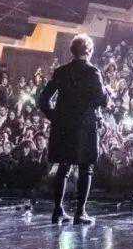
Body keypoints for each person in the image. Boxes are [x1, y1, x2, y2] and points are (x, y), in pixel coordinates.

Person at [38, 34, 109, 225]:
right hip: (85, 128)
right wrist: (106, 93)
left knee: (63, 167)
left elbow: (43, 100)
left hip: (63, 128)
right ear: (89, 51)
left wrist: (55, 117)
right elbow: (102, 100)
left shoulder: (61, 71)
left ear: (72, 51)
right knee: (86, 168)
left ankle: (57, 210)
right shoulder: (93, 72)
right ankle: (80, 212)